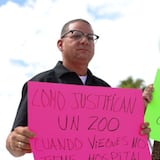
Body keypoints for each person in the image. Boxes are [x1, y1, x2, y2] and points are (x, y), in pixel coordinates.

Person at [6, 18, 151, 157]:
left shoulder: (105, 90)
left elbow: (120, 138)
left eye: (90, 37)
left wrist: (139, 124)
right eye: (76, 35)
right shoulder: (40, 84)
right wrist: (15, 142)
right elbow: (14, 143)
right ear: (60, 44)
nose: (85, 41)